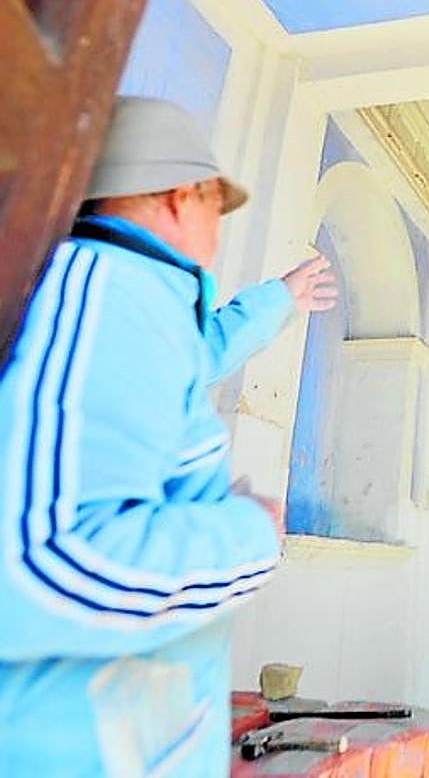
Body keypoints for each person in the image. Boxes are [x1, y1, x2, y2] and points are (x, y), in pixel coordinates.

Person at [0, 96, 337, 775]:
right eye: (219, 206)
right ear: (185, 195)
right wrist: (248, 532)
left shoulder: (132, 294)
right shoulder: (104, 293)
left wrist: (279, 299)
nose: (219, 227)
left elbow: (193, 355)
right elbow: (42, 560)